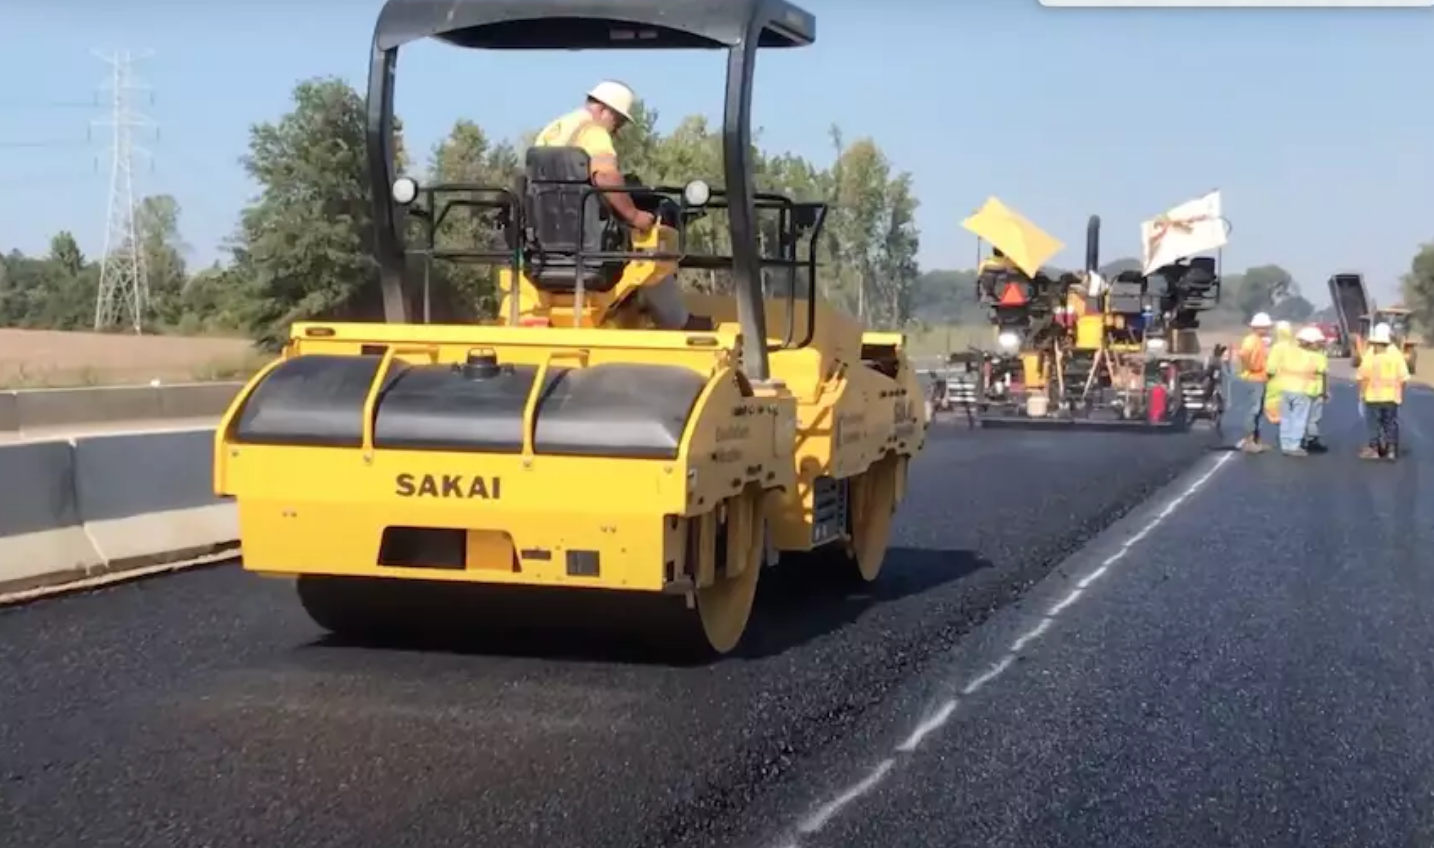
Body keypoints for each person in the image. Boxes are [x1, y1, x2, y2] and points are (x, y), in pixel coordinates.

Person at [533, 81, 699, 331]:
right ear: (603, 110)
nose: (617, 131)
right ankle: (678, 322)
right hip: (587, 239)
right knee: (650, 246)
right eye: (618, 122)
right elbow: (605, 176)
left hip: (546, 240)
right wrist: (634, 215)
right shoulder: (593, 131)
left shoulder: (553, 129)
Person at [1356, 321, 1411, 461]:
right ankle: (1391, 449)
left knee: (1373, 424)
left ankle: (1374, 449)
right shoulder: (1396, 354)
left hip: (1372, 398)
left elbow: (1362, 377)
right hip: (1391, 398)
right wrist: (1400, 395)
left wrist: (1361, 395)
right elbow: (1403, 377)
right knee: (1390, 423)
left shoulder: (1370, 354)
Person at [1272, 326, 1326, 457]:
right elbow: (1323, 374)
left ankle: (1285, 444)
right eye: (1318, 342)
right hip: (1303, 391)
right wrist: (1324, 391)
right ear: (1311, 343)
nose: (1320, 345)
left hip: (1286, 389)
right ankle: (1294, 446)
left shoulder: (1290, 353)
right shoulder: (1317, 357)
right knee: (1299, 419)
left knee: (1286, 418)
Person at [1231, 312, 1273, 452]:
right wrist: (1251, 367)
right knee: (1253, 410)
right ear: (1258, 327)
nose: (1268, 330)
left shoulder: (1259, 341)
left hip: (1261, 378)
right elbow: (1243, 355)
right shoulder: (1251, 340)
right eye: (1266, 327)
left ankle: (1256, 440)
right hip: (1253, 378)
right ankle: (1249, 441)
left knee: (1259, 410)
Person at [1300, 325, 1330, 453]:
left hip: (1300, 390)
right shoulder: (1320, 357)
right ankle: (1312, 440)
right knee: (1313, 418)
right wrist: (1325, 392)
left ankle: (1298, 440)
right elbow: (1323, 375)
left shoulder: (1298, 355)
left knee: (1300, 417)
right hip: (1316, 391)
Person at [1262, 320, 1294, 431]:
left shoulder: (1277, 348)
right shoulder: (1296, 347)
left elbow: (1271, 368)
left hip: (1277, 385)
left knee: (1277, 416)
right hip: (1295, 385)